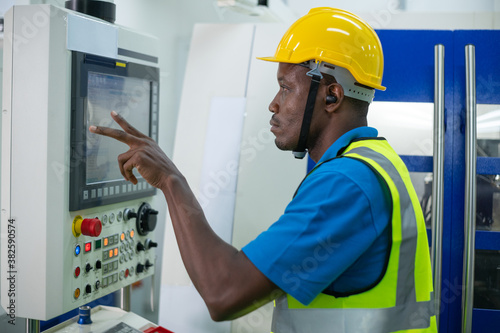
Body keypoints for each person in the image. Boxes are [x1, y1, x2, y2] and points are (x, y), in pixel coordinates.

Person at [90, 7, 437, 333]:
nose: (274, 103)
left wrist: (170, 180)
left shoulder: (347, 183)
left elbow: (223, 292)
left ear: (331, 97)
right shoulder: (376, 160)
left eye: (286, 88)